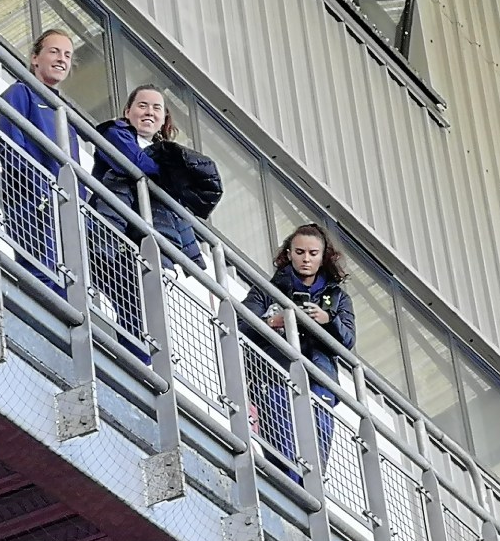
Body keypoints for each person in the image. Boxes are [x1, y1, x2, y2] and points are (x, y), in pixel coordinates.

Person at [89, 84, 219, 363]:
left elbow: (186, 207)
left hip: (145, 245)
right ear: (128, 112)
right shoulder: (116, 133)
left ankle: (136, 369)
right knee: (124, 300)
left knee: (141, 313)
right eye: (142, 105)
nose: (149, 112)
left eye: (156, 108)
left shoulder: (169, 155)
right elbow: (131, 163)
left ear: (164, 119)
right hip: (110, 234)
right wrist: (164, 173)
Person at [238, 223, 356, 476]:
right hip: (274, 374)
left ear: (323, 257)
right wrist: (272, 322)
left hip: (320, 379)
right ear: (289, 253)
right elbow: (240, 324)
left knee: (316, 447)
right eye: (300, 252)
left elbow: (348, 341)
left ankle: (309, 499)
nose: (306, 259)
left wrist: (327, 320)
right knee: (283, 444)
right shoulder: (266, 290)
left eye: (313, 254)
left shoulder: (338, 298)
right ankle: (288, 492)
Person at [0, 29, 79, 295]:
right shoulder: (21, 93)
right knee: (40, 277)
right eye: (54, 51)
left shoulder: (66, 115)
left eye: (67, 55)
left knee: (66, 283)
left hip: (63, 208)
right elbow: (10, 146)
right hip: (32, 203)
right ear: (35, 58)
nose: (61, 59)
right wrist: (39, 189)